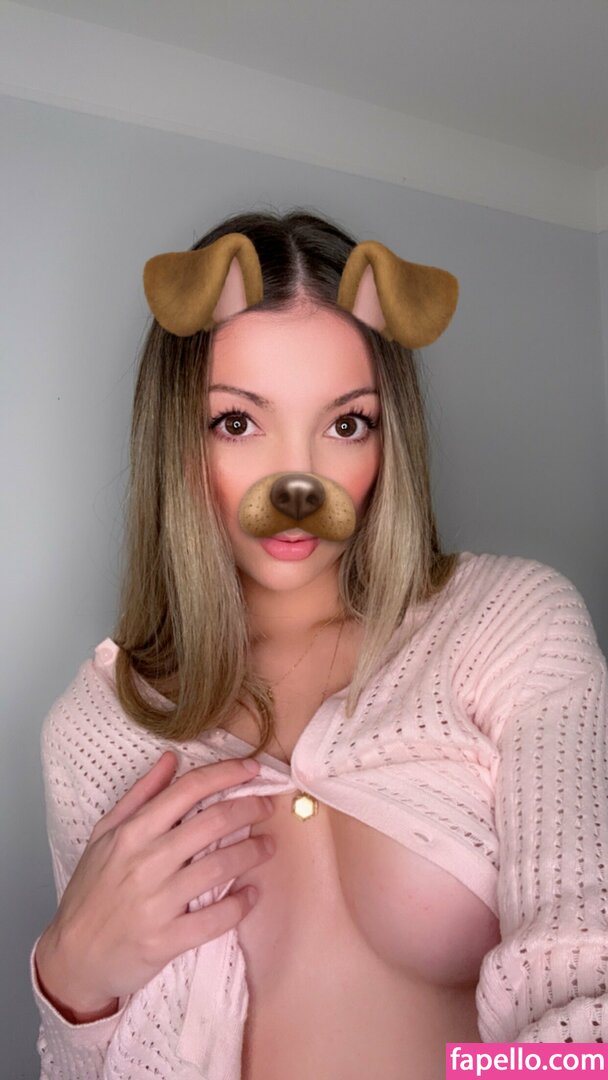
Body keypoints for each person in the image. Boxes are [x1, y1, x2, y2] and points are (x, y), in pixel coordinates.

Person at [30, 209, 607, 1079]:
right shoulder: (96, 729)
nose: (296, 483)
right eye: (237, 422)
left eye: (345, 425)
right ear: (177, 437)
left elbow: (586, 994)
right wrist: (69, 980)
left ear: (389, 436)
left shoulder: (509, 625)